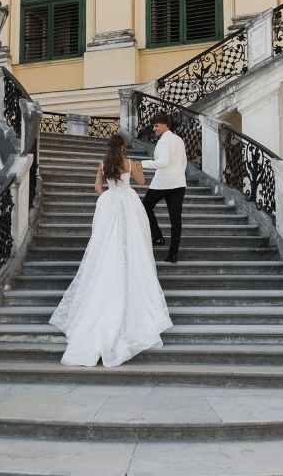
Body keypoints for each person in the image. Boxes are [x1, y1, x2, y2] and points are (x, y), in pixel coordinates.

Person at [49, 134, 172, 368]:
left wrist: (108, 193)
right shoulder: (128, 163)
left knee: (106, 245)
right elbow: (142, 182)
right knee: (132, 243)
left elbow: (97, 188)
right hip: (128, 204)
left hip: (110, 204)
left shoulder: (103, 164)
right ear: (123, 147)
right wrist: (137, 168)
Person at [141, 113, 187, 264]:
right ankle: (173, 254)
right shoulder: (179, 140)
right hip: (179, 183)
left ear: (166, 125)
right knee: (176, 220)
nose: (154, 128)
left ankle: (158, 236)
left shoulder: (163, 142)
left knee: (145, 206)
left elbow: (162, 162)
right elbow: (183, 162)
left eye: (156, 125)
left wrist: (141, 164)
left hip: (163, 182)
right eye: (153, 125)